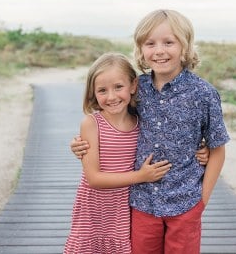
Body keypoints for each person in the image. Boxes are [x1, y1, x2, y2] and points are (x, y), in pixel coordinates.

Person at [71, 9, 230, 254]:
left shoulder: (204, 94)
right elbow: (114, 120)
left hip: (185, 202)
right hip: (142, 203)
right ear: (141, 49)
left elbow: (218, 149)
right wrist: (81, 145)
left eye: (169, 42)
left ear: (185, 46)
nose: (159, 50)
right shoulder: (138, 88)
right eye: (150, 43)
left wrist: (202, 201)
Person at [63, 52, 172, 254]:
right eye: (102, 90)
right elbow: (94, 179)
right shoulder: (92, 123)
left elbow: (169, 142)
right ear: (93, 93)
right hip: (93, 208)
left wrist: (202, 151)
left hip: (122, 208)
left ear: (133, 86)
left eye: (118, 87)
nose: (111, 97)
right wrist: (141, 176)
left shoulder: (141, 123)